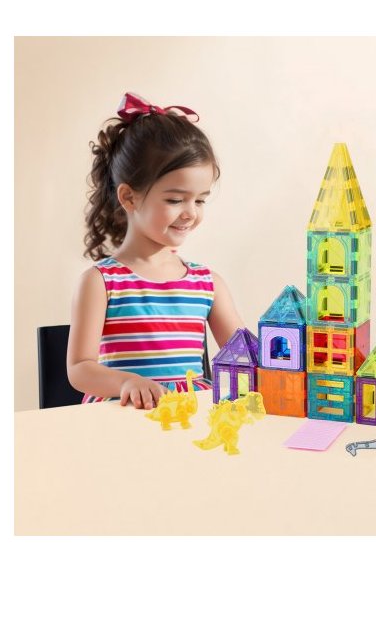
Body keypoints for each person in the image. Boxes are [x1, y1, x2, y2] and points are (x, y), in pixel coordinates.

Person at [66, 92, 246, 409]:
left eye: (200, 200)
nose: (190, 212)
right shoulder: (101, 282)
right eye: (175, 200)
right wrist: (126, 382)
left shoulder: (208, 284)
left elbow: (246, 356)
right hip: (123, 418)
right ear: (129, 197)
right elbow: (80, 368)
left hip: (189, 418)